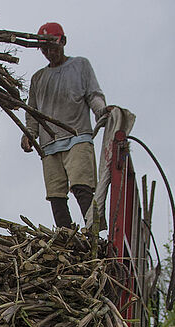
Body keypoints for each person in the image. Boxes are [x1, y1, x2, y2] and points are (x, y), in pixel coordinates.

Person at [21, 22, 111, 228]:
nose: (50, 53)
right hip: (49, 144)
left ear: (63, 42)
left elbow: (94, 95)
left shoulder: (80, 65)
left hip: (77, 136)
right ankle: (65, 236)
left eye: (53, 47)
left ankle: (94, 233)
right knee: (55, 194)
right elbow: (32, 112)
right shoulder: (38, 78)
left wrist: (102, 111)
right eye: (44, 49)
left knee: (83, 186)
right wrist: (29, 135)